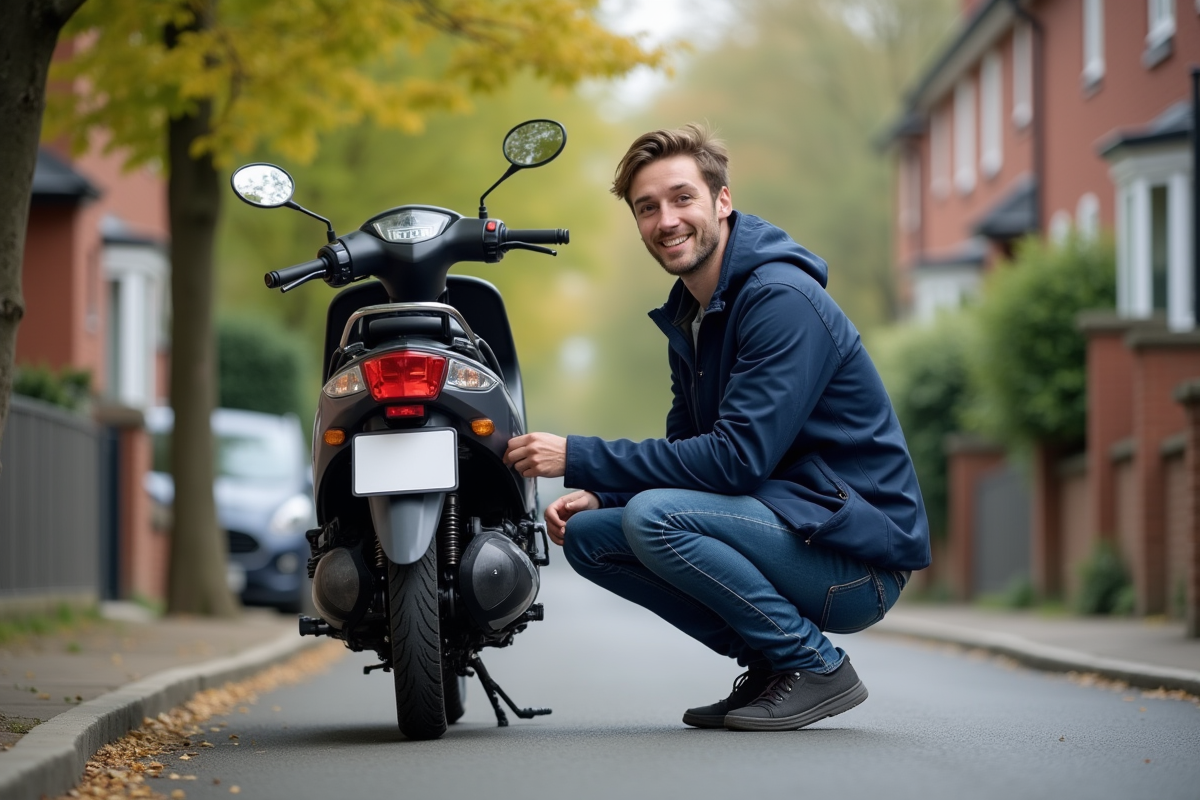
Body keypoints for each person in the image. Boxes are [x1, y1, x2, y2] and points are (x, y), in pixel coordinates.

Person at [503, 123, 929, 732]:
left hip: (856, 561)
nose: (666, 220)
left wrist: (578, 456)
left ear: (722, 201)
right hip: (791, 526)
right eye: (647, 208)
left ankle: (815, 664)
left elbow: (735, 462)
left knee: (657, 517)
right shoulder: (697, 317)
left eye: (682, 198)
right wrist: (606, 493)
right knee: (595, 535)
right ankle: (771, 664)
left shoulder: (782, 300)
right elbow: (688, 451)